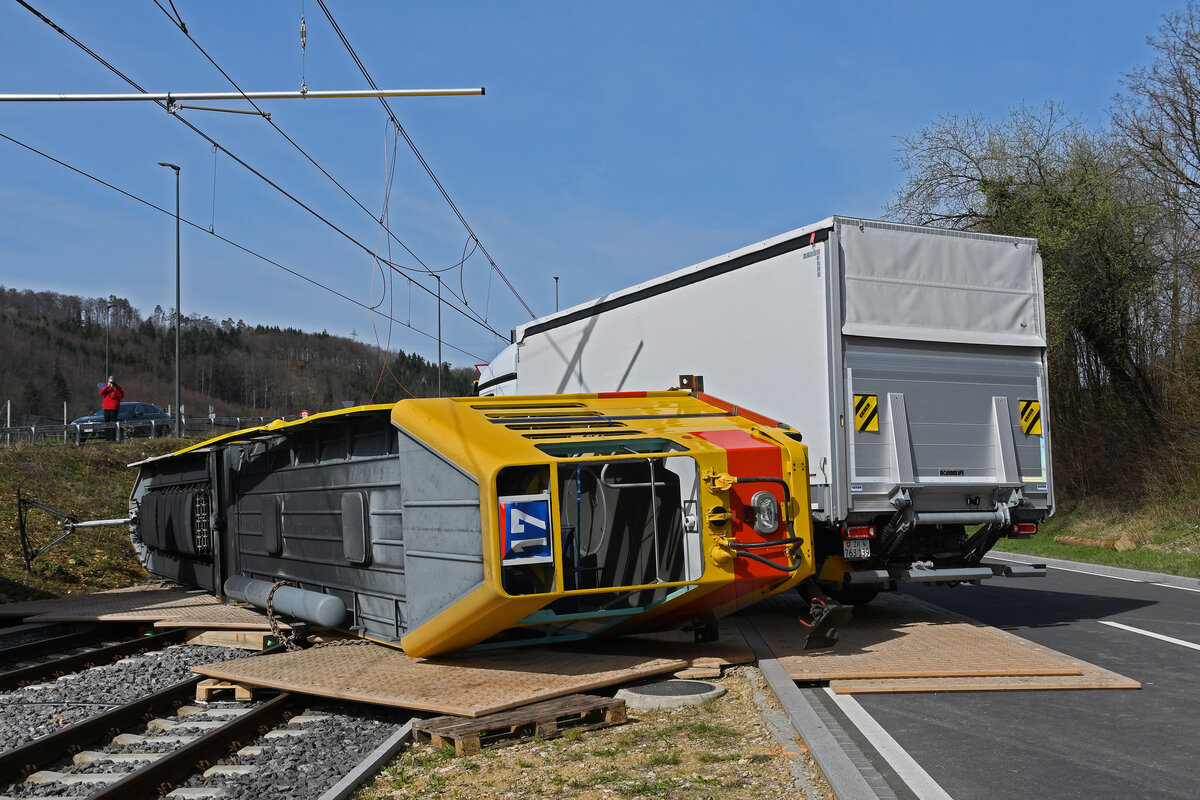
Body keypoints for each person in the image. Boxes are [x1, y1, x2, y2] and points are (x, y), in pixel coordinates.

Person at [99, 376, 124, 440]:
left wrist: (115, 389)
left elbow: (121, 396)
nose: (111, 384)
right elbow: (101, 393)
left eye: (112, 382)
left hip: (114, 409)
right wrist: (107, 386)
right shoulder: (106, 388)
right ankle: (107, 438)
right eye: (110, 382)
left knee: (113, 423)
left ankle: (113, 438)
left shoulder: (119, 388)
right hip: (106, 408)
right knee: (106, 423)